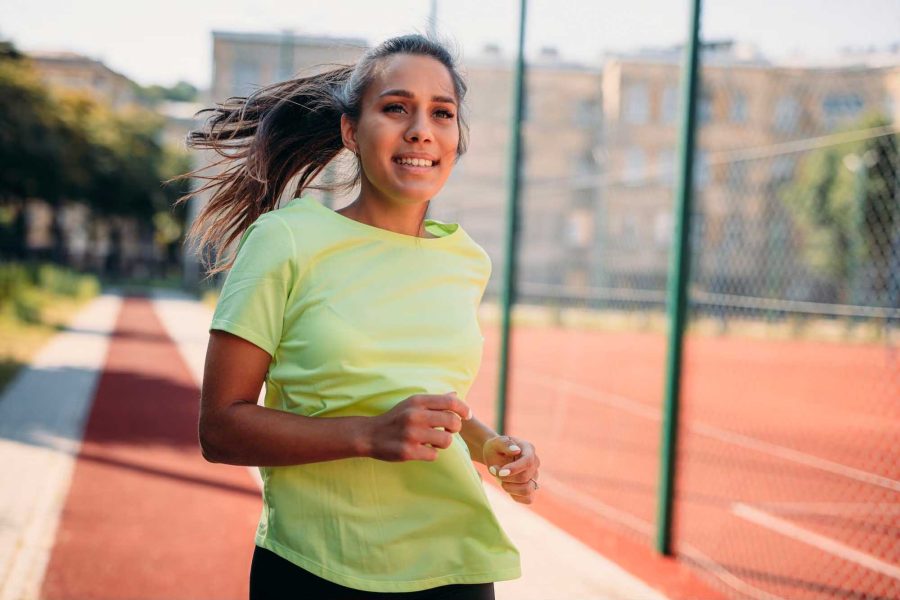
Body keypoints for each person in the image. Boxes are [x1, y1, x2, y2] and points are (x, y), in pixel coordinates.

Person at [176, 33, 542, 599]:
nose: (421, 128)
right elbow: (220, 428)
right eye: (396, 107)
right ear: (352, 129)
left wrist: (487, 443)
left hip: (456, 569)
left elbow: (420, 391)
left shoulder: (467, 260)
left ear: (456, 137)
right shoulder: (286, 240)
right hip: (316, 570)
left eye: (441, 113)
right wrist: (367, 435)